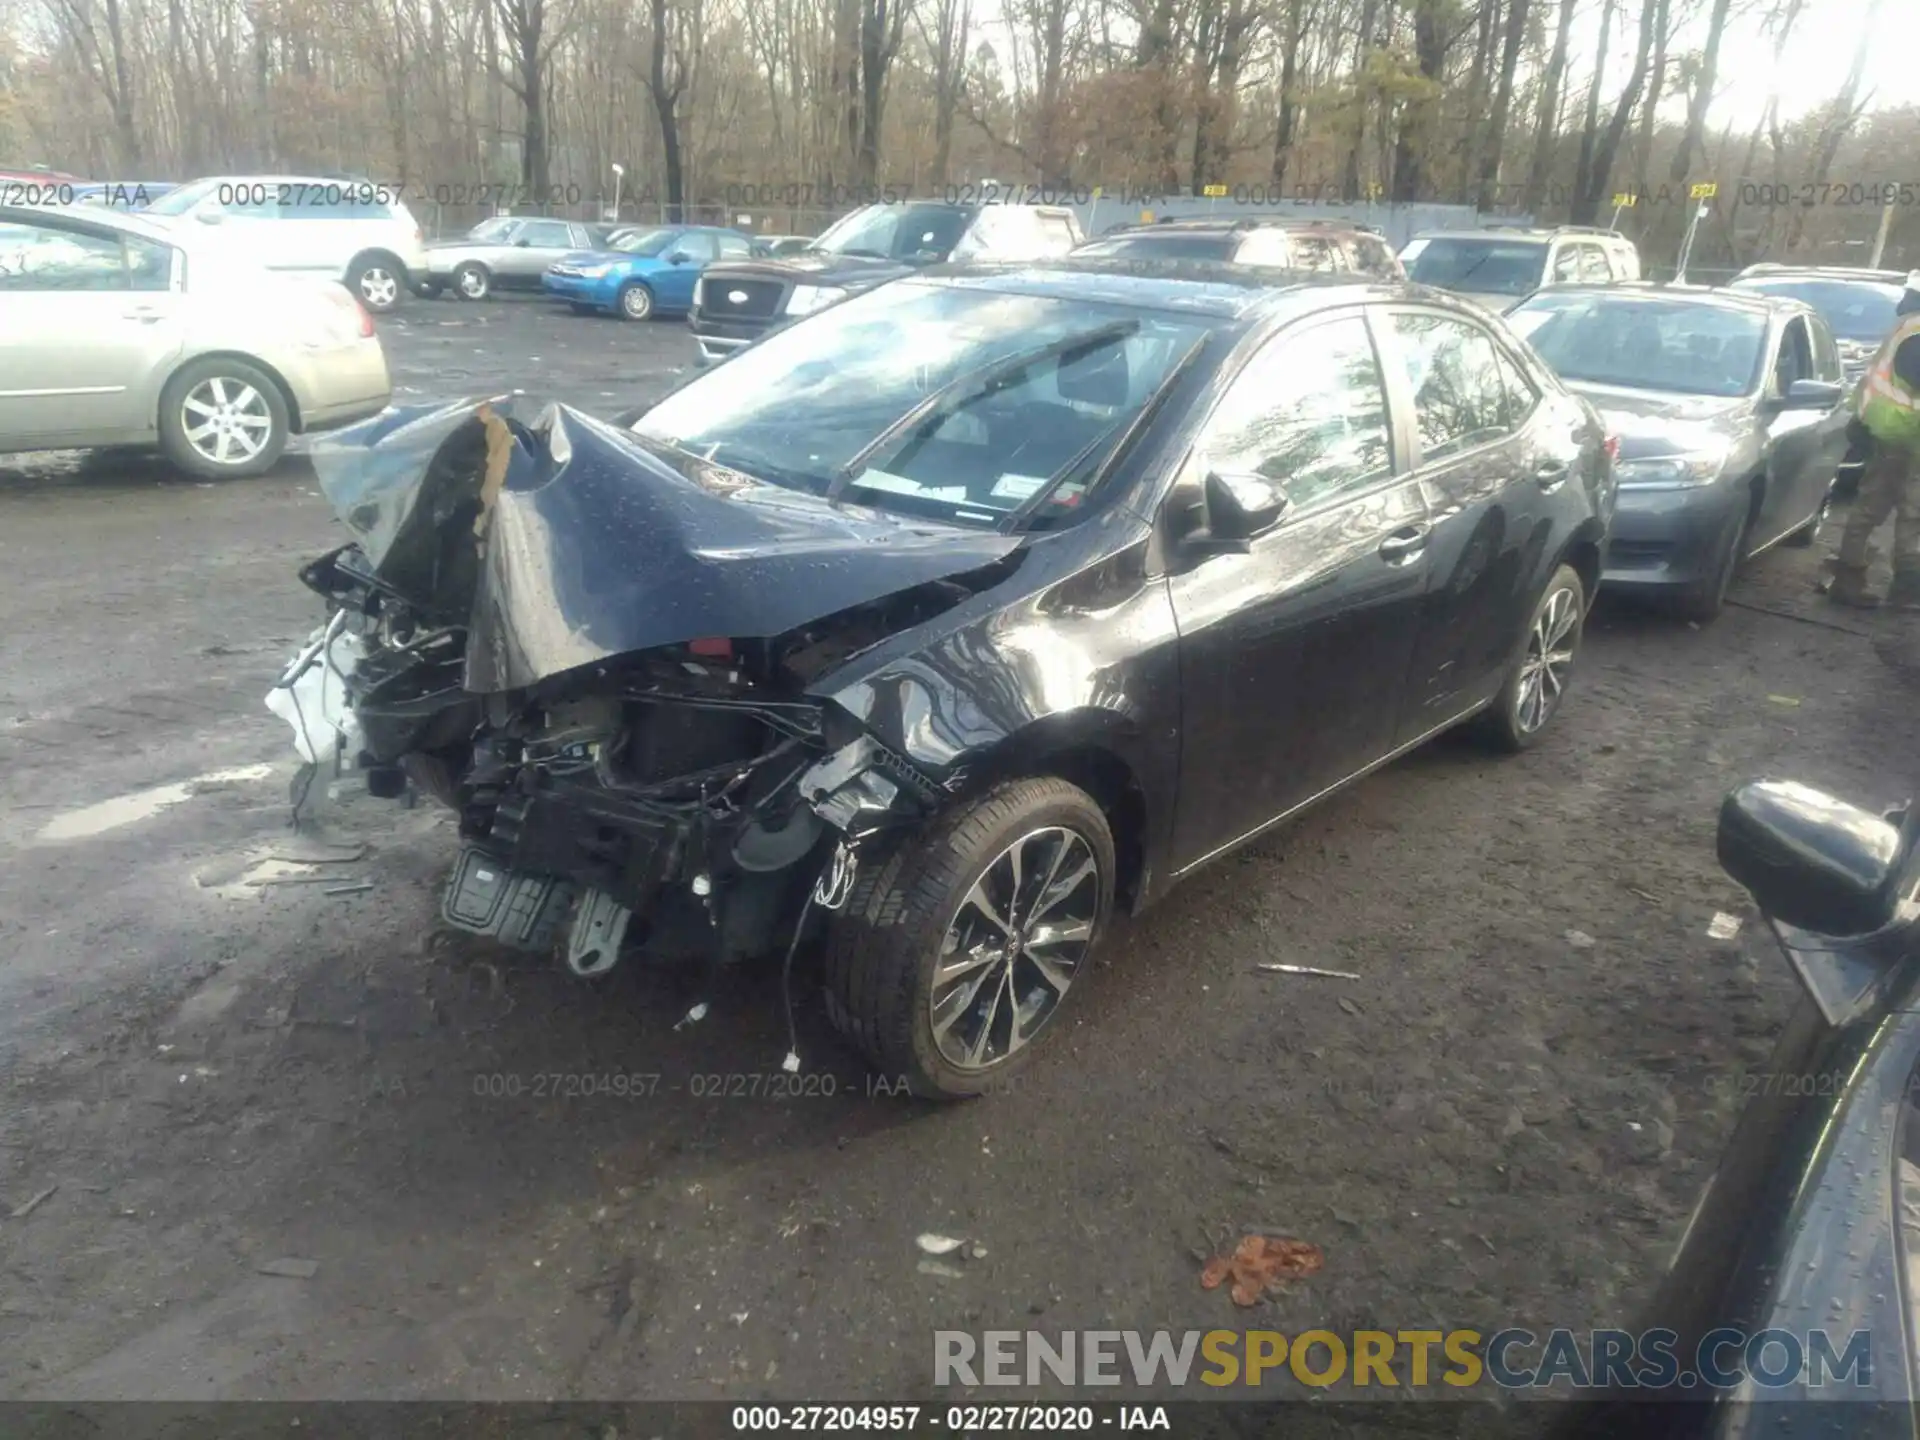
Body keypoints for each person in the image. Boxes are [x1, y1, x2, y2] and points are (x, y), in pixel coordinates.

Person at [1829, 272, 1920, 609]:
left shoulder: (1907, 325)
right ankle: (1904, 591)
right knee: (1909, 512)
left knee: (1874, 507)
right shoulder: (1917, 332)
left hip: (1889, 428)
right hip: (1904, 434)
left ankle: (1850, 579)